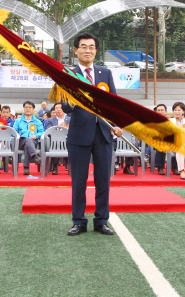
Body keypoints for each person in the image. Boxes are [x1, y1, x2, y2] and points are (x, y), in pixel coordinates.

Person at [63, 32, 122, 236]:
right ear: (76, 50)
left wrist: (116, 124)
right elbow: (64, 105)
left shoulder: (105, 73)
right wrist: (70, 102)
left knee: (103, 181)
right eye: (83, 46)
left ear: (96, 51)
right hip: (79, 135)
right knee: (78, 181)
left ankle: (101, 221)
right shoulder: (68, 73)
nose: (87, 50)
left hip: (103, 134)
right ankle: (79, 221)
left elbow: (113, 103)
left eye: (91, 47)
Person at [13, 101, 44, 176]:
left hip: (33, 141)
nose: (28, 109)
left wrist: (36, 136)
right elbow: (13, 132)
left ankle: (26, 167)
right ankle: (34, 156)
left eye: (30, 107)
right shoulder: (18, 121)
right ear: (24, 109)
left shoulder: (37, 121)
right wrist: (19, 134)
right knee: (27, 140)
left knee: (28, 143)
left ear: (33, 109)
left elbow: (42, 132)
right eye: (26, 107)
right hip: (20, 141)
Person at [44, 102, 70, 175]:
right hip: (55, 141)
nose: (59, 110)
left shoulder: (70, 119)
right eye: (56, 108)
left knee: (71, 143)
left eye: (60, 108)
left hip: (68, 140)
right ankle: (55, 166)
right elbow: (48, 131)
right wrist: (58, 126)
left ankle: (69, 164)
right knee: (57, 143)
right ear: (54, 110)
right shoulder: (50, 120)